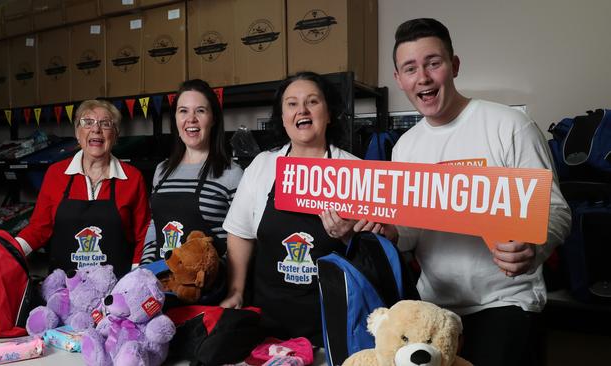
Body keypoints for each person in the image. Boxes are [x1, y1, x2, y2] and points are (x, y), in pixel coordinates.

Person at [390, 18, 571, 365]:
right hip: (434, 310)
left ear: (454, 65)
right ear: (400, 80)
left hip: (506, 302)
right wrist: (389, 230)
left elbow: (558, 211)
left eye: (433, 63)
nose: (423, 77)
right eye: (410, 69)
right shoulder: (404, 148)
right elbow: (410, 234)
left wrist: (534, 244)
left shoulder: (510, 125)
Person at [220, 71, 365, 346]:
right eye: (292, 103)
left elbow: (378, 248)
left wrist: (350, 234)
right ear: (283, 117)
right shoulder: (263, 165)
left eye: (313, 101)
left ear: (329, 113)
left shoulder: (355, 170)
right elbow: (240, 232)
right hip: (269, 327)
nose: (302, 110)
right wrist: (236, 290)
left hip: (333, 325)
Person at [16, 99, 151, 279]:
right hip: (64, 291)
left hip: (116, 293)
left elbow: (143, 235)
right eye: (87, 122)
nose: (96, 129)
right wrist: (5, 254)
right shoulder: (56, 174)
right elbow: (39, 228)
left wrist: (134, 279)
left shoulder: (132, 178)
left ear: (116, 135)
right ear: (77, 133)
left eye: (105, 123)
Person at [140, 79, 243, 263]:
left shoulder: (231, 173)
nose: (191, 119)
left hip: (208, 285)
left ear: (213, 119)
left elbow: (241, 239)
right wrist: (146, 269)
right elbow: (155, 225)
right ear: (176, 119)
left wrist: (214, 276)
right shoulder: (162, 171)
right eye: (183, 111)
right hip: (161, 280)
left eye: (200, 111)